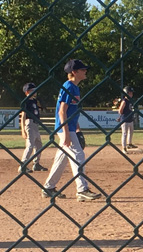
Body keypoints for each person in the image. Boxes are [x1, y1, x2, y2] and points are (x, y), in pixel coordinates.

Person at [41, 59, 101, 201]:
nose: (85, 71)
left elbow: (72, 112)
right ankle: (82, 189)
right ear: (74, 72)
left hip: (70, 127)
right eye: (82, 69)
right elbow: (62, 111)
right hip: (64, 128)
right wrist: (66, 133)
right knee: (78, 155)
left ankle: (48, 187)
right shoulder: (68, 86)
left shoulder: (75, 87)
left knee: (61, 159)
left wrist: (77, 129)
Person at [18, 82, 46, 173]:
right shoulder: (26, 101)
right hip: (29, 123)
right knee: (30, 145)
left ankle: (36, 164)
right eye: (32, 90)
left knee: (39, 145)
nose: (35, 92)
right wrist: (23, 130)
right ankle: (23, 165)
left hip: (35, 124)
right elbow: (23, 116)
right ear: (27, 92)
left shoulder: (34, 101)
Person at [118, 86, 137, 151]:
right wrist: (122, 116)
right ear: (126, 93)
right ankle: (124, 147)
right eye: (130, 93)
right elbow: (120, 110)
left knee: (131, 132)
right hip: (125, 120)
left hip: (130, 119)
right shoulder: (124, 101)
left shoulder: (131, 101)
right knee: (124, 134)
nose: (131, 94)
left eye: (131, 93)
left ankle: (129, 144)